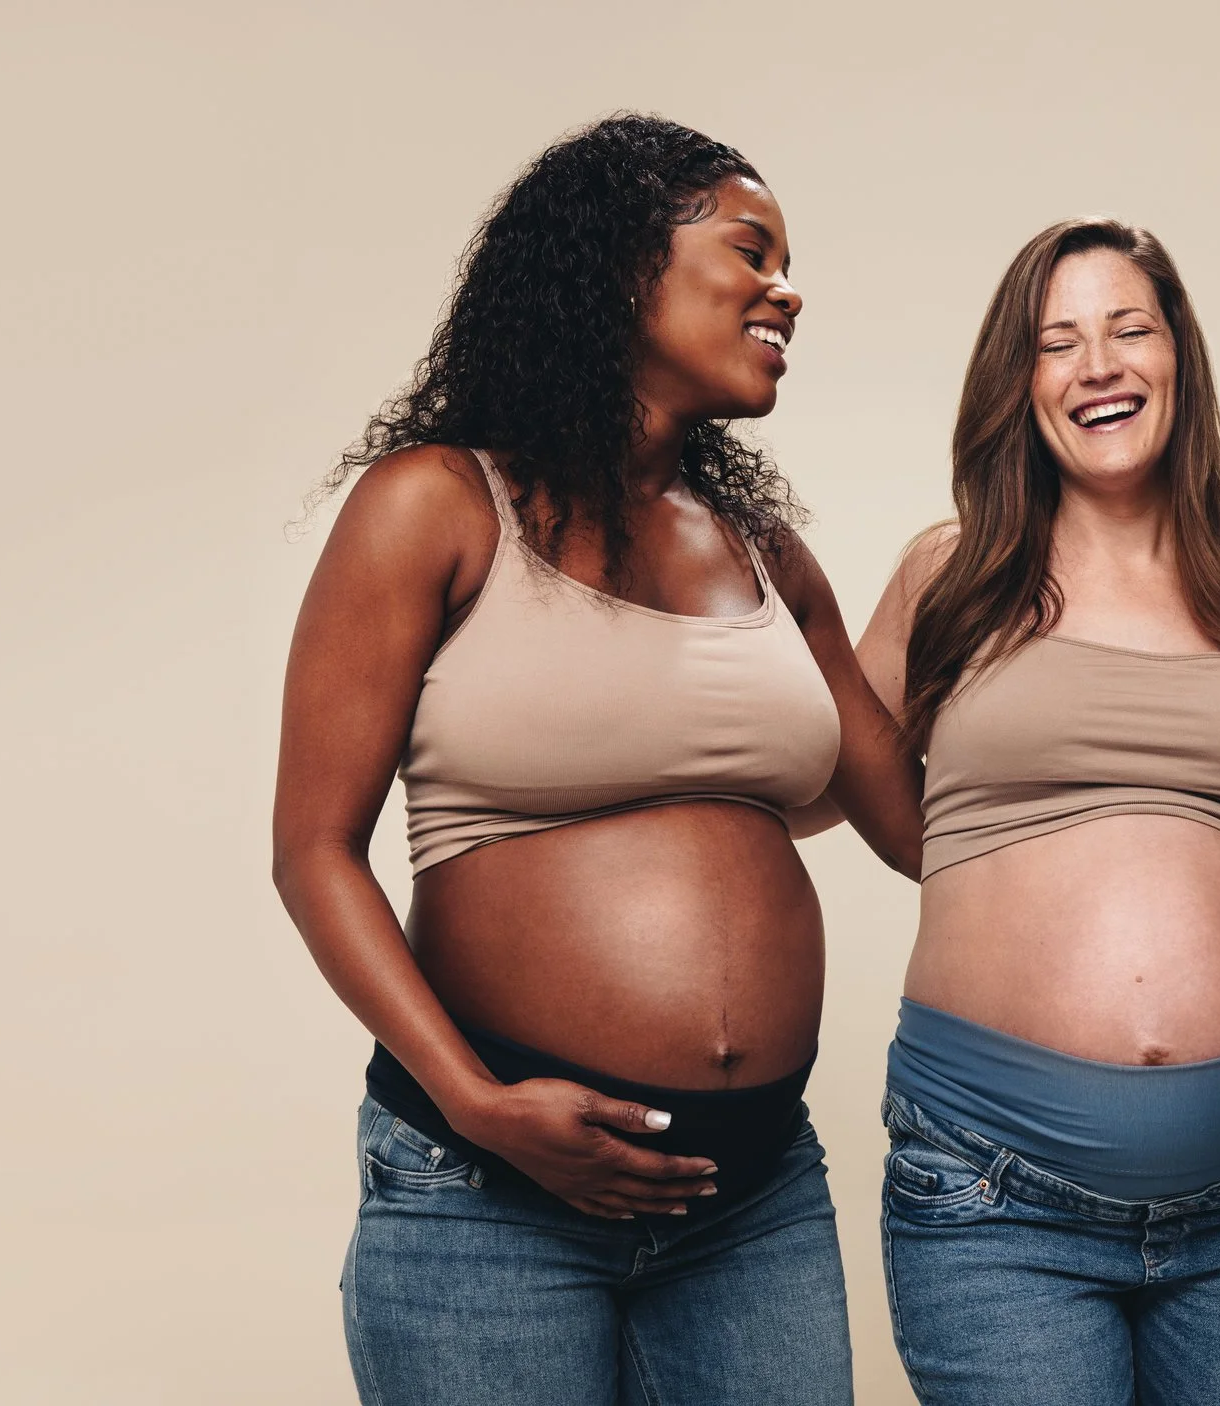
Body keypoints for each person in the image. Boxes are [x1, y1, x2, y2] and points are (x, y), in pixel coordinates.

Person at [271, 113, 921, 1406]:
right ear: (626, 263)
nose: (789, 289)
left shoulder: (763, 551)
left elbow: (914, 822)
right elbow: (313, 851)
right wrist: (472, 1100)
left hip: (752, 1197)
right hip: (489, 1190)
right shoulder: (439, 504)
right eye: (753, 249)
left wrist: (988, 560)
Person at [855, 217, 1220, 1406]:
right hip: (994, 1192)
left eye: (1129, 328)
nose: (1098, 364)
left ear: (1178, 357)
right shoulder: (951, 577)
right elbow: (823, 777)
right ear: (1019, 382)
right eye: (1058, 341)